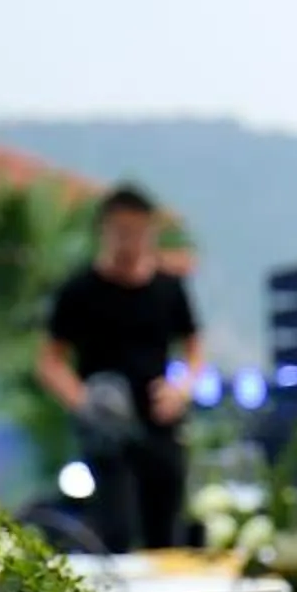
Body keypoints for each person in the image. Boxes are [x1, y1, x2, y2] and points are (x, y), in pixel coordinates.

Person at [37, 184, 201, 552]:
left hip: (159, 423)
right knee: (116, 530)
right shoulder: (79, 291)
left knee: (167, 531)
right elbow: (50, 361)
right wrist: (83, 402)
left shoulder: (168, 288)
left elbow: (194, 350)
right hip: (107, 429)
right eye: (122, 230)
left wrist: (181, 388)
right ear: (105, 230)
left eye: (140, 230)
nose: (131, 240)